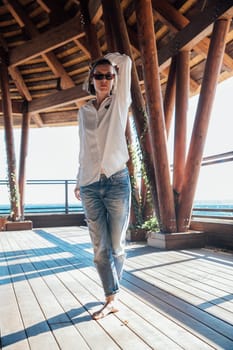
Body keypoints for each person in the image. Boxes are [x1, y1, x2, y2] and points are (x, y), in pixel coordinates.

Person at [74, 52, 132, 320]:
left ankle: (114, 293)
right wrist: (78, 179)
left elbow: (127, 62)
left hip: (117, 181)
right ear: (92, 79)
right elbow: (84, 149)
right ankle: (111, 298)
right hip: (89, 185)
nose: (105, 80)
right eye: (99, 75)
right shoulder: (83, 112)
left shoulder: (119, 103)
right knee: (100, 249)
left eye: (109, 75)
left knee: (117, 245)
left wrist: (106, 59)